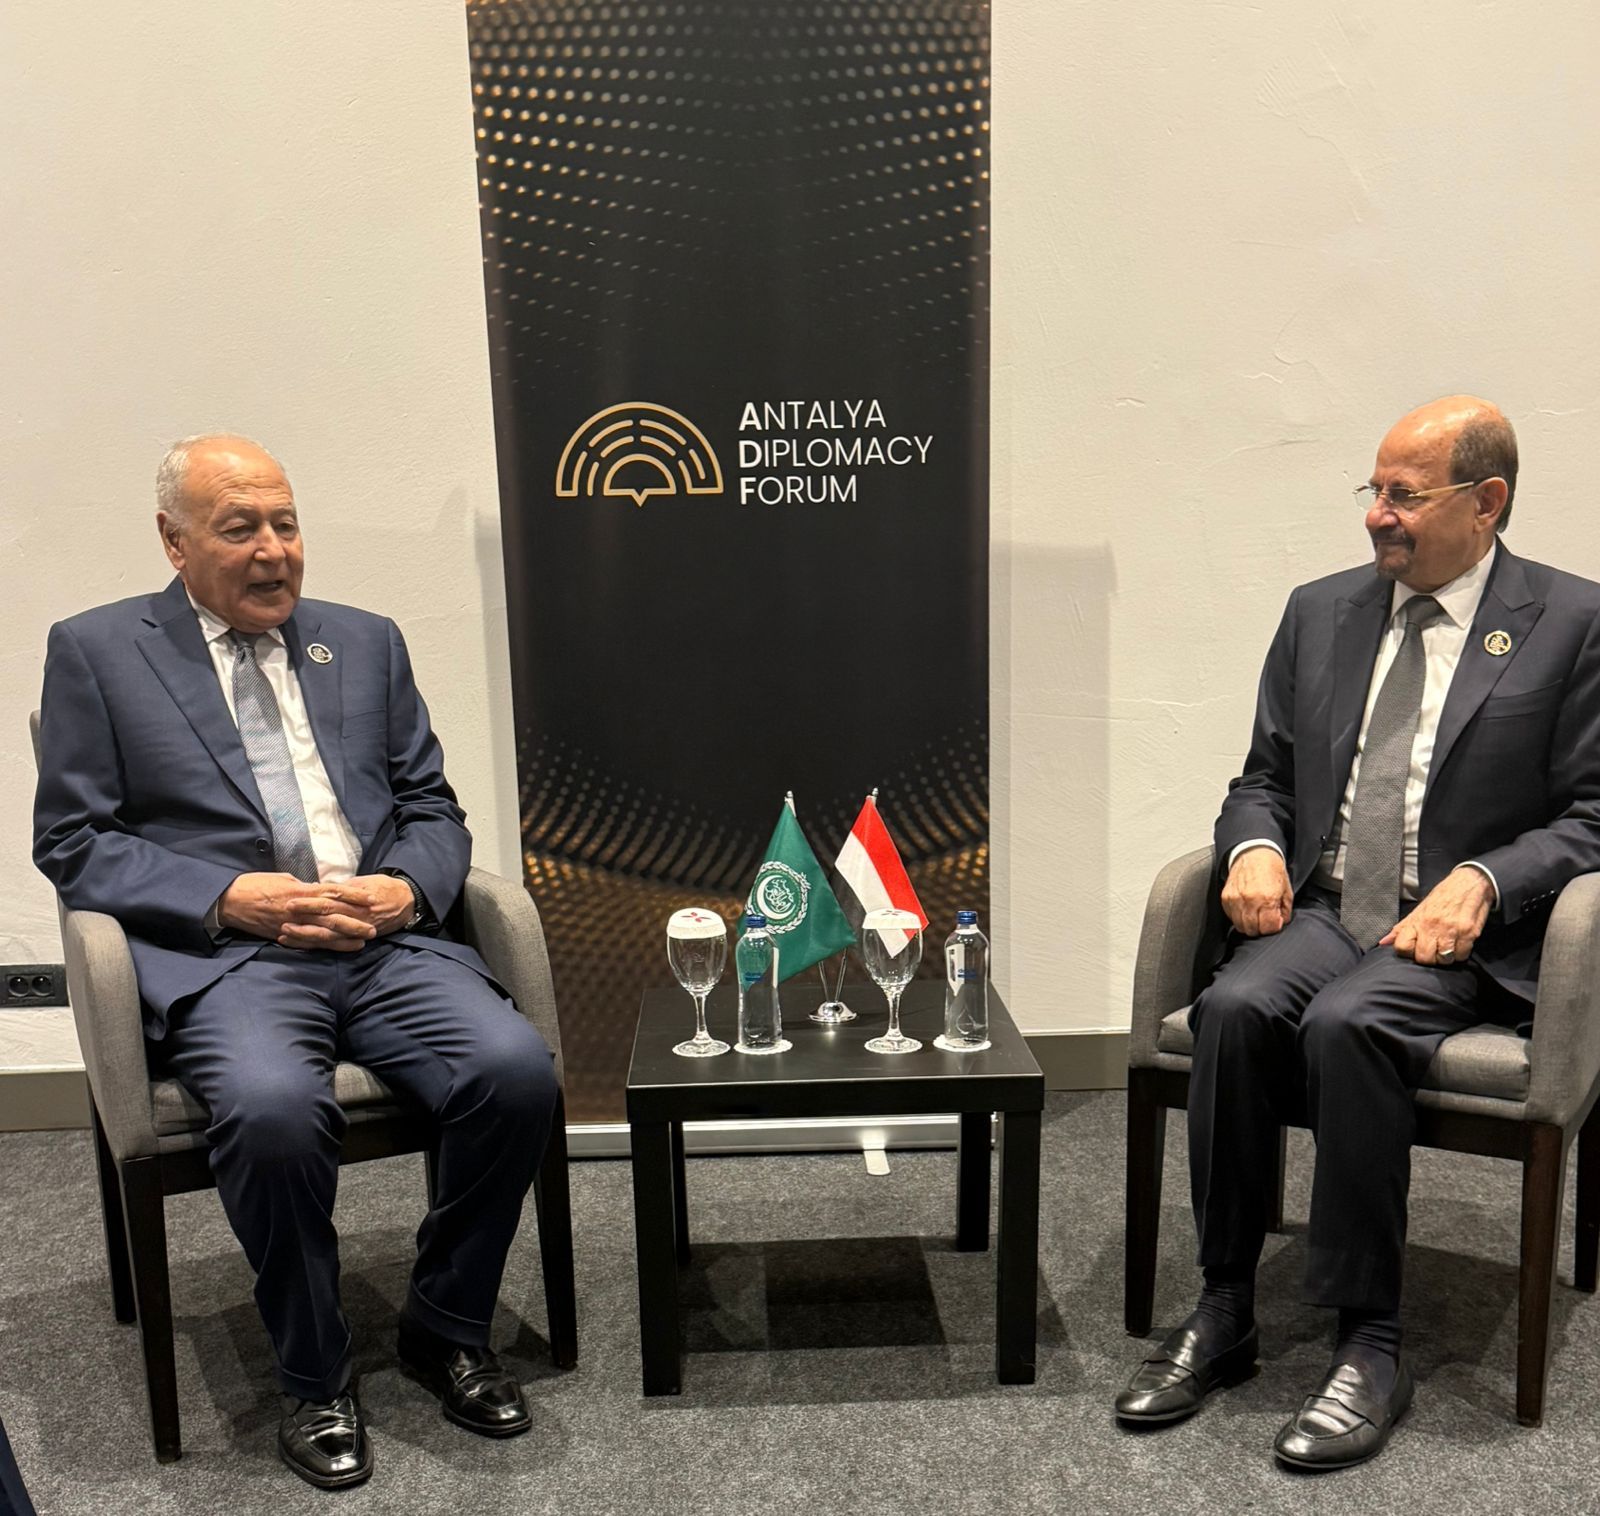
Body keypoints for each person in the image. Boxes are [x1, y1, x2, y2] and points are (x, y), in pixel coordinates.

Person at [33, 436, 560, 1490]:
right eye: (240, 529)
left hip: (383, 944)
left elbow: (429, 805)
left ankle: (445, 1322)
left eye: (285, 523)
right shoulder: (98, 651)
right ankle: (315, 1374)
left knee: (514, 1074)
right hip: (235, 959)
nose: (273, 550)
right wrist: (230, 896)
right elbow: (74, 841)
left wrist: (404, 889)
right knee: (273, 1111)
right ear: (175, 542)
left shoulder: (364, 642)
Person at [1114, 396, 1600, 1468]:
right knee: (1236, 1006)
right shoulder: (1320, 611)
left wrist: (1486, 878)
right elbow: (1264, 778)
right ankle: (1225, 1304)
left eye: (1403, 495)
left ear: (1487, 502)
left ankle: (1370, 1340)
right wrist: (1252, 847)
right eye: (1372, 491)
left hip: (1462, 932)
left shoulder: (1571, 621)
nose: (1377, 515)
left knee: (1347, 1025)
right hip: (1332, 905)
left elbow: (1592, 815)